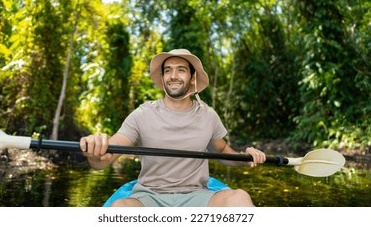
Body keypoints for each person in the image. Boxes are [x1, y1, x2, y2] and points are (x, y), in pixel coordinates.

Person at [80, 48, 266, 207]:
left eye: (181, 70)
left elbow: (223, 150)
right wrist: (95, 152)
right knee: (120, 207)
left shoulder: (208, 115)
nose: (173, 76)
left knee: (240, 198)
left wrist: (245, 158)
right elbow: (105, 159)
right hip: (149, 197)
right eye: (168, 70)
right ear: (162, 78)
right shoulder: (142, 114)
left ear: (192, 77)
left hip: (197, 195)